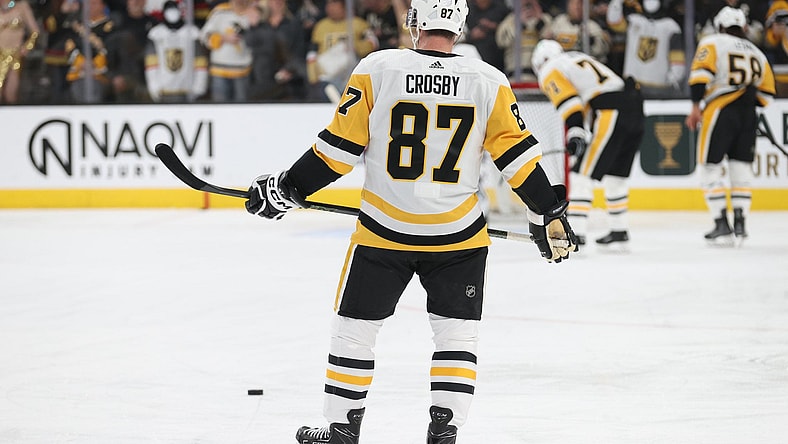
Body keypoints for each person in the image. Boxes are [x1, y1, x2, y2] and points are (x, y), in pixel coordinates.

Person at [244, 0, 578, 441]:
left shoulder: (378, 68)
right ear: (461, 25)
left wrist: (285, 188)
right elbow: (518, 163)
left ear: (414, 21)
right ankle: (445, 432)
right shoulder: (489, 80)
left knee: (354, 332)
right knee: (457, 337)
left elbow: (337, 153)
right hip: (458, 237)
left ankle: (342, 428)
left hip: (384, 233)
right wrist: (547, 212)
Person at [532, 39, 644, 248]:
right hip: (635, 108)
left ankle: (577, 233)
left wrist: (575, 132)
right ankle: (619, 230)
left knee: (581, 173)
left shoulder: (549, 69)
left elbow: (570, 103)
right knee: (616, 175)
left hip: (611, 111)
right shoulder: (578, 57)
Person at [685, 6, 775, 245]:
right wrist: (744, 102)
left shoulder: (712, 42)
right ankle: (741, 223)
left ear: (720, 26)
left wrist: (695, 107)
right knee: (741, 169)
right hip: (748, 114)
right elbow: (766, 95)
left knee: (709, 167)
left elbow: (700, 76)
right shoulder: (757, 52)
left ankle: (721, 223)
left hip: (719, 110)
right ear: (744, 27)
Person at [606, 0, 684, 98]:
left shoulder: (671, 27)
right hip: (633, 85)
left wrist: (673, 79)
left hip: (659, 88)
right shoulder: (634, 21)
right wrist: (617, 2)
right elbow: (614, 22)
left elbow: (677, 58)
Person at [145, 0, 209, 103]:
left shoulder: (192, 32)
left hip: (187, 89)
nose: (172, 12)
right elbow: (151, 64)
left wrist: (199, 86)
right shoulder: (156, 34)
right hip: (164, 90)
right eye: (169, 9)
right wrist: (154, 87)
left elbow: (200, 62)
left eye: (174, 9)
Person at [200, 0, 255, 102]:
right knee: (220, 108)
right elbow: (204, 36)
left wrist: (255, 25)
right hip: (219, 71)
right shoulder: (220, 11)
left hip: (243, 71)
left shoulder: (253, 11)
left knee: (242, 108)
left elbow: (261, 40)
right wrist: (223, 38)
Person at [495, 0, 552, 82]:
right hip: (515, 76)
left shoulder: (545, 19)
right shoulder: (509, 20)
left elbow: (551, 43)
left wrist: (539, 22)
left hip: (539, 77)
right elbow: (501, 42)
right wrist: (520, 24)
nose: (528, 5)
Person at [0, 0, 40, 104]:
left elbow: (35, 31)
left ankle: (12, 112)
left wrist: (27, 47)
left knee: (11, 92)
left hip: (15, 54)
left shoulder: (21, 6)